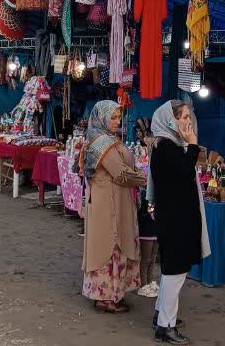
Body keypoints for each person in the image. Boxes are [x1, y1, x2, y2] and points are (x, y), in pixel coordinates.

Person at [149, 100, 210, 344]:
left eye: (188, 116)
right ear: (169, 121)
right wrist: (194, 145)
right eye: (183, 117)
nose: (188, 121)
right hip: (174, 219)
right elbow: (185, 170)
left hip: (175, 217)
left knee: (173, 272)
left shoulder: (171, 146)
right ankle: (165, 326)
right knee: (175, 273)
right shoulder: (166, 148)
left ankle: (160, 315)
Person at [82, 100, 147, 314]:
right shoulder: (101, 143)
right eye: (113, 117)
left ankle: (111, 294)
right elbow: (120, 173)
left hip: (113, 200)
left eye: (119, 117)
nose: (118, 121)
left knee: (113, 244)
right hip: (108, 204)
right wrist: (146, 180)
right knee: (110, 245)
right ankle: (105, 297)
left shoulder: (106, 139)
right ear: (101, 118)